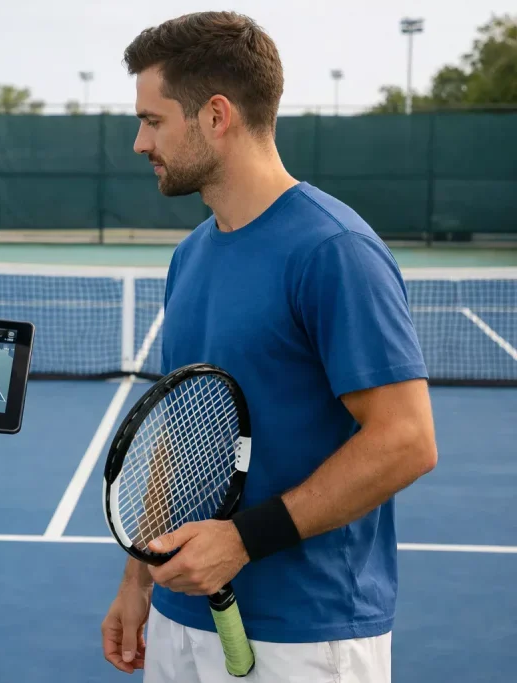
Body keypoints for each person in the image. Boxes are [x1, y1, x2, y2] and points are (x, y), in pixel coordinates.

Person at [100, 12, 437, 682]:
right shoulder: (190, 255)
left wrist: (243, 540)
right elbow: (180, 421)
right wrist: (139, 580)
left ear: (216, 116)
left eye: (153, 119)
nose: (140, 142)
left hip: (305, 636)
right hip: (180, 616)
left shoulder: (334, 251)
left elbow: (406, 439)